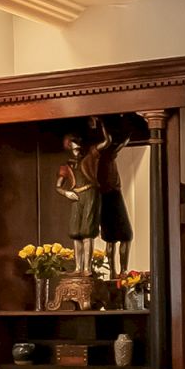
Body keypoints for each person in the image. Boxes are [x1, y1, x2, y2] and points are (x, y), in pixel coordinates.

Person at [55, 117, 133, 276]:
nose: (76, 148)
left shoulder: (92, 155)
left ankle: (89, 268)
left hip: (93, 193)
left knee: (89, 231)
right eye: (72, 146)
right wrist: (66, 192)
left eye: (77, 144)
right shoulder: (69, 164)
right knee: (77, 232)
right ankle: (80, 268)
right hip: (80, 195)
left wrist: (102, 123)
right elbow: (58, 186)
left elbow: (108, 141)